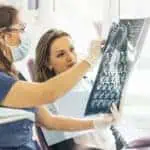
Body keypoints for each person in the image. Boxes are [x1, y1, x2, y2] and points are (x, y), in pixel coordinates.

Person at [0, 4, 119, 150]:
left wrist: (96, 123)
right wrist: (90, 60)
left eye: (72, 50)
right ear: (4, 36)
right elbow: (48, 93)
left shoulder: (16, 77)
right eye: (21, 29)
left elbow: (50, 121)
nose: (24, 37)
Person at [35, 29, 120, 150]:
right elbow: (62, 147)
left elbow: (108, 129)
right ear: (48, 63)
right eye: (61, 54)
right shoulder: (49, 98)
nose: (70, 57)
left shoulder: (87, 83)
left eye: (72, 49)